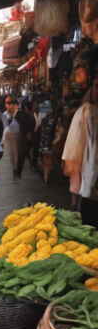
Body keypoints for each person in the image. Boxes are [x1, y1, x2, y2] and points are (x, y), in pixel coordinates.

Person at [63, 76, 98, 228]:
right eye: (96, 86)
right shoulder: (85, 113)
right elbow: (75, 146)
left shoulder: (87, 113)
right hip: (90, 171)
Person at [4, 95, 35, 181]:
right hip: (19, 136)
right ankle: (18, 171)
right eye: (6, 104)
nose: (7, 106)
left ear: (16, 105)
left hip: (21, 136)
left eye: (9, 104)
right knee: (18, 154)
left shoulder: (21, 115)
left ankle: (17, 172)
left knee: (19, 154)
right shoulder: (10, 115)